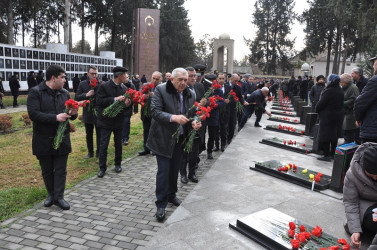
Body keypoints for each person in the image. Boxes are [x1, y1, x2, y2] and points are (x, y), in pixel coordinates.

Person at [146, 68, 201, 222]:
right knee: (163, 171)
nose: (183, 83)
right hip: (163, 139)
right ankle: (161, 204)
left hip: (181, 139)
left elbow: (193, 112)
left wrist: (196, 121)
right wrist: (173, 118)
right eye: (180, 80)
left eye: (185, 79)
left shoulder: (191, 93)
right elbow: (155, 111)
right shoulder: (161, 90)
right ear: (172, 80)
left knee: (175, 169)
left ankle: (172, 195)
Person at [27, 64, 77, 210]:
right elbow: (34, 114)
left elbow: (69, 116)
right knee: (47, 170)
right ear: (53, 78)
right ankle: (51, 195)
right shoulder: (36, 92)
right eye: (63, 77)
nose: (65, 81)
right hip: (43, 138)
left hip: (62, 138)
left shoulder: (65, 93)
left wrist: (73, 114)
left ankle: (59, 197)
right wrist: (55, 117)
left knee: (61, 169)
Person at [96, 66, 131, 178]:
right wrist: (115, 99)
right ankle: (102, 168)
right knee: (104, 145)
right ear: (119, 75)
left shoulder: (124, 88)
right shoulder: (104, 86)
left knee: (118, 144)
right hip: (106, 121)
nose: (126, 77)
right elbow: (99, 101)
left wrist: (126, 105)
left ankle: (118, 164)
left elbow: (125, 107)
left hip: (118, 122)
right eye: (125, 75)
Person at [343, 143, 377, 248]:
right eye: (372, 175)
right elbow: (350, 202)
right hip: (367, 207)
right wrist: (355, 230)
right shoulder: (352, 175)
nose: (375, 178)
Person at [180, 67, 206, 184]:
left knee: (194, 151)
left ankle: (192, 173)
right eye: (191, 76)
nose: (193, 78)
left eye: (195, 75)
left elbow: (206, 100)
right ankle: (183, 174)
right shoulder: (181, 88)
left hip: (197, 123)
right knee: (184, 151)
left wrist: (204, 104)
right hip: (184, 124)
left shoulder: (199, 86)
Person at [315, 74, 344, 161]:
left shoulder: (329, 91)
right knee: (334, 136)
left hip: (327, 117)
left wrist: (317, 109)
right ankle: (332, 154)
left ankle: (326, 155)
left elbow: (321, 104)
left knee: (326, 136)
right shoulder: (340, 90)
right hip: (337, 116)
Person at [75, 66, 102, 159]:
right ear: (88, 74)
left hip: (98, 112)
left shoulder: (101, 83)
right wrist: (86, 95)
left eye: (95, 73)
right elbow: (77, 97)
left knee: (100, 134)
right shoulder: (82, 84)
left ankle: (99, 152)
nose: (94, 75)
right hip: (88, 112)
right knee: (89, 134)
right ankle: (90, 152)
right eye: (92, 73)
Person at [354, 56, 377, 143]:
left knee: (369, 155)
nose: (373, 66)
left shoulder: (374, 81)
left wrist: (358, 118)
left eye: (374, 63)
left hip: (373, 130)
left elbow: (360, 103)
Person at [139, 71, 162, 156]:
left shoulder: (162, 87)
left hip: (156, 113)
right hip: (146, 112)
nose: (155, 80)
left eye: (157, 79)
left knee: (155, 131)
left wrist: (155, 95)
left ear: (160, 79)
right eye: (154, 78)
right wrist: (143, 97)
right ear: (151, 77)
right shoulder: (145, 85)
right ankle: (146, 148)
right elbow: (139, 96)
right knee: (146, 130)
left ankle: (155, 149)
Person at [205, 74, 225, 160]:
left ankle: (209, 151)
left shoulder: (219, 90)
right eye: (210, 80)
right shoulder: (205, 88)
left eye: (213, 80)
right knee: (201, 135)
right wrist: (208, 104)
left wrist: (215, 105)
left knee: (212, 135)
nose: (212, 81)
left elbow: (222, 102)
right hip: (203, 114)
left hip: (213, 115)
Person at [340, 73, 360, 144]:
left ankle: (349, 145)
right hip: (346, 113)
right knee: (346, 131)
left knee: (349, 131)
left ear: (346, 81)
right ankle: (347, 143)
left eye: (341, 82)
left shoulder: (353, 88)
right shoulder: (345, 88)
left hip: (351, 114)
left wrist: (344, 103)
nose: (340, 84)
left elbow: (354, 99)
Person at [214, 73, 231, 152]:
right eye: (220, 78)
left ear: (225, 79)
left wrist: (229, 101)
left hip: (225, 112)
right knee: (216, 130)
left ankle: (223, 145)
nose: (221, 80)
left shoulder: (229, 87)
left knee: (224, 130)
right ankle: (216, 145)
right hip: (216, 112)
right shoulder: (214, 88)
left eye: (223, 79)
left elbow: (233, 99)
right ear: (217, 79)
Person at [227, 74, 244, 144]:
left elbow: (240, 97)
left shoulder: (238, 88)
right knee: (224, 125)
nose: (236, 82)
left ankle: (229, 138)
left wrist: (244, 102)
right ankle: (223, 138)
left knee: (232, 123)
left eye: (237, 81)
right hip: (225, 108)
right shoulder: (225, 86)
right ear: (231, 79)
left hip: (233, 108)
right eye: (235, 80)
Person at [122, 73, 137, 145]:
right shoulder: (120, 85)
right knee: (121, 123)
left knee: (126, 122)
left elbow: (135, 96)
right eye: (124, 77)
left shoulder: (132, 85)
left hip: (128, 107)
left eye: (127, 77)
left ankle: (125, 138)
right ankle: (121, 137)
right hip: (120, 107)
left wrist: (130, 101)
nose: (126, 79)